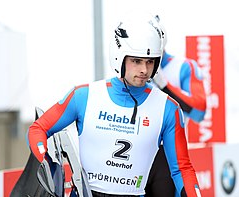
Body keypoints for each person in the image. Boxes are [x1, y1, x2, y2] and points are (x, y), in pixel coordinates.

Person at [27, 16, 201, 197]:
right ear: (119, 57)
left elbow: (182, 169)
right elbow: (38, 128)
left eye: (150, 62)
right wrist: (45, 164)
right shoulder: (84, 96)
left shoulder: (168, 108)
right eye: (137, 61)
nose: (144, 70)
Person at [145, 15, 206, 196]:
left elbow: (199, 111)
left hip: (168, 152)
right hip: (136, 151)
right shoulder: (131, 65)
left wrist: (164, 85)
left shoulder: (185, 67)